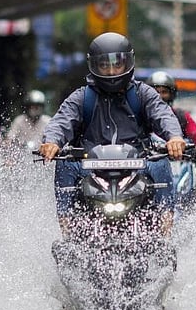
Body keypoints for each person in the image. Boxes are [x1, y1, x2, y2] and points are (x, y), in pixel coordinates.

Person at [37, 32, 186, 237]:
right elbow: (61, 120)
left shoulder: (143, 93)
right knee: (65, 164)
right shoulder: (82, 97)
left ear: (128, 63)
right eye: (104, 65)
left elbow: (162, 114)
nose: (111, 71)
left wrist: (174, 138)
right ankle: (68, 230)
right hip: (91, 165)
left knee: (160, 163)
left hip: (138, 162)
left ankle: (164, 229)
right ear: (94, 66)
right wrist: (52, 141)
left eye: (117, 65)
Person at [145, 71, 196, 153]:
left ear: (172, 94)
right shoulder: (139, 115)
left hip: (176, 162)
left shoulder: (181, 116)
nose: (159, 96)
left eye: (164, 92)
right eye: (155, 92)